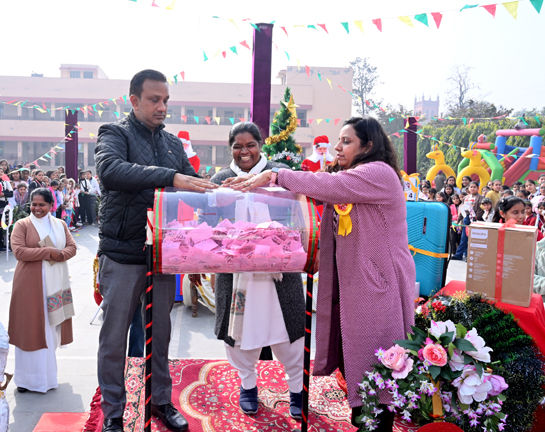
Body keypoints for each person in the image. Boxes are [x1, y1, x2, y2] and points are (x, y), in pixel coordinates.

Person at [227, 116, 416, 430]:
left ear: (368, 146)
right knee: (361, 357)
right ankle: (364, 414)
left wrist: (275, 174)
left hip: (380, 283)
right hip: (359, 282)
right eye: (339, 140)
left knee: (380, 360)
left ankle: (374, 419)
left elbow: (328, 185)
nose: (337, 147)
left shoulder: (378, 172)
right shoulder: (355, 174)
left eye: (347, 141)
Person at [94, 69, 217, 432]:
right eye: (154, 99)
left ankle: (161, 400)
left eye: (165, 100)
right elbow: (111, 171)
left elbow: (192, 185)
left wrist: (224, 187)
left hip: (163, 255)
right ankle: (113, 413)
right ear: (134, 100)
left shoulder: (173, 145)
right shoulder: (114, 133)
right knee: (114, 338)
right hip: (122, 253)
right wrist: (170, 177)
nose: (162, 107)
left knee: (160, 334)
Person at [206, 122, 306, 419]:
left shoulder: (278, 172)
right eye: (237, 146)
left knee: (288, 329)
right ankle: (248, 385)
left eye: (250, 144)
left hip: (278, 271)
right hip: (237, 274)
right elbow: (208, 223)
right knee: (239, 331)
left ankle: (297, 389)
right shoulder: (221, 179)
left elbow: (298, 207)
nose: (244, 151)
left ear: (260, 145)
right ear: (230, 148)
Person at [8, 188, 76, 393]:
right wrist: (49, 252)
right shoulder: (22, 225)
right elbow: (19, 252)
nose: (37, 208)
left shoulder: (60, 224)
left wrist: (60, 254)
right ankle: (25, 380)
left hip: (55, 286)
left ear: (51, 205)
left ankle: (46, 378)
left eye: (42, 205)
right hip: (30, 286)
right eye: (34, 204)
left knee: (49, 331)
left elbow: (72, 248)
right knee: (30, 330)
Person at [452, 181, 483, 261]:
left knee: (472, 238)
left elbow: (480, 210)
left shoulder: (480, 198)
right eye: (471, 187)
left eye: (474, 187)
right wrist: (458, 220)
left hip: (476, 220)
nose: (472, 188)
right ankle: (459, 255)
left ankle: (468, 255)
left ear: (477, 188)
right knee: (464, 238)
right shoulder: (466, 198)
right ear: (468, 188)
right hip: (466, 218)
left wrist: (475, 218)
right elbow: (462, 210)